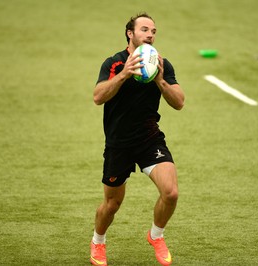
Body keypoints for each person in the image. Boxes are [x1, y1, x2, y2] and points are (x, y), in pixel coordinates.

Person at [90, 12, 185, 266]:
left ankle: (156, 236)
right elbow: (98, 97)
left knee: (171, 192)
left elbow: (179, 103)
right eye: (145, 29)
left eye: (153, 31)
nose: (151, 34)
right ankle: (98, 242)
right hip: (118, 144)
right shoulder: (115, 63)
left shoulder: (162, 64)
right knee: (112, 204)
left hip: (149, 140)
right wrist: (124, 75)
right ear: (130, 34)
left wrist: (161, 81)